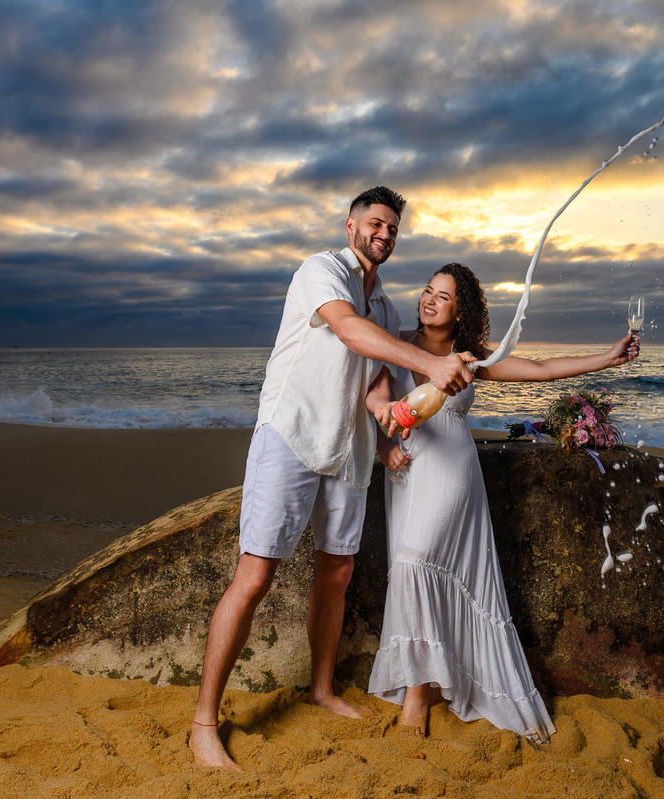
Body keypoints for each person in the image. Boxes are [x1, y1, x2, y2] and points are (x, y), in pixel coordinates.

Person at [190, 188, 475, 771]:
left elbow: (374, 376)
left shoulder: (390, 308)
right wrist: (430, 364)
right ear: (351, 225)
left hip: (349, 448)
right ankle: (203, 723)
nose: (384, 235)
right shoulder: (320, 270)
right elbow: (347, 331)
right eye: (375, 223)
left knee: (338, 571)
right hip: (291, 434)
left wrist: (384, 413)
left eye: (393, 229)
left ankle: (320, 689)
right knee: (255, 575)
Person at [365, 262, 638, 741]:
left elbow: (540, 370)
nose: (429, 300)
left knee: (415, 562)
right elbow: (372, 396)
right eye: (428, 291)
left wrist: (607, 358)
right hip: (404, 473)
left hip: (451, 471)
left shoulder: (470, 357)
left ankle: (414, 697)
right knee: (406, 569)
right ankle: (426, 681)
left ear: (460, 309)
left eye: (443, 296)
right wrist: (385, 446)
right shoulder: (395, 341)